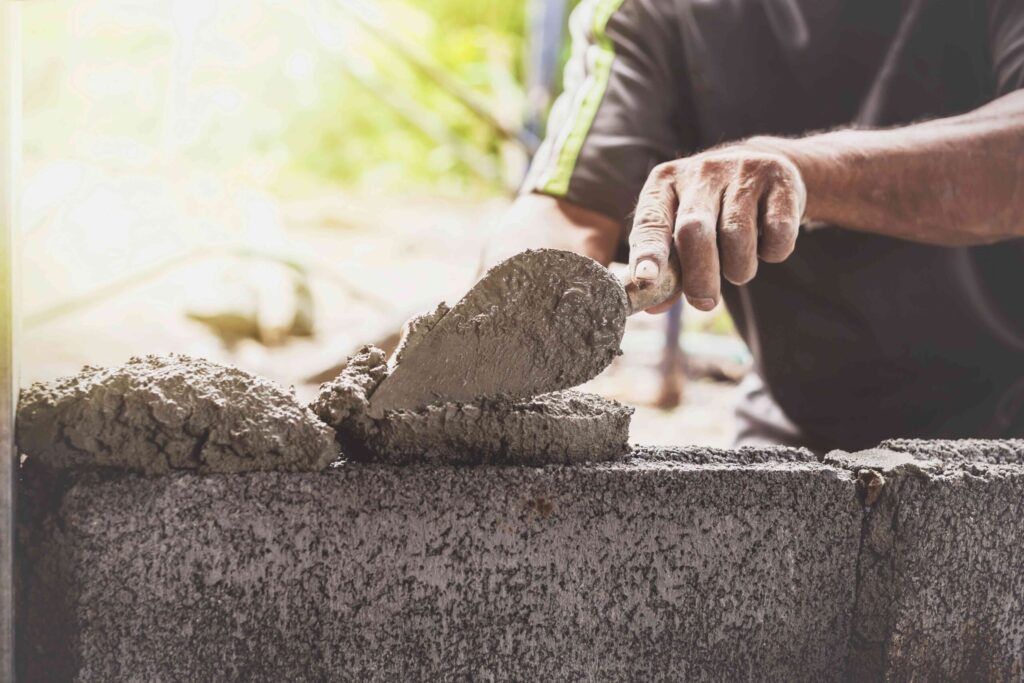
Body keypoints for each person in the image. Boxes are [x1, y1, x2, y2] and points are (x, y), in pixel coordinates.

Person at [482, 0, 1024, 453]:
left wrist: (806, 175)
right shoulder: (651, 11)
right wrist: (497, 335)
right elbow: (566, 211)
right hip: (803, 423)